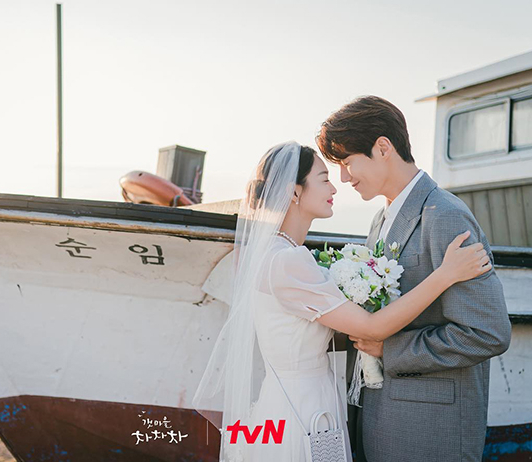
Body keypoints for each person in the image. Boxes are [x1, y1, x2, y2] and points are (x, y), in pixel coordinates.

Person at [192, 141, 492, 462]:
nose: (335, 187)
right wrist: (445, 275)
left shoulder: (277, 254)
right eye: (324, 179)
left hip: (294, 398)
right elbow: (371, 328)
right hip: (303, 408)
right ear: (294, 192)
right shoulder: (288, 261)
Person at [316, 95, 512, 462]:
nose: (344, 177)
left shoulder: (445, 216)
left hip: (428, 430)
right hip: (379, 419)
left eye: (347, 162)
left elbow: (488, 333)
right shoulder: (380, 220)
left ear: (383, 148)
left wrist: (390, 350)